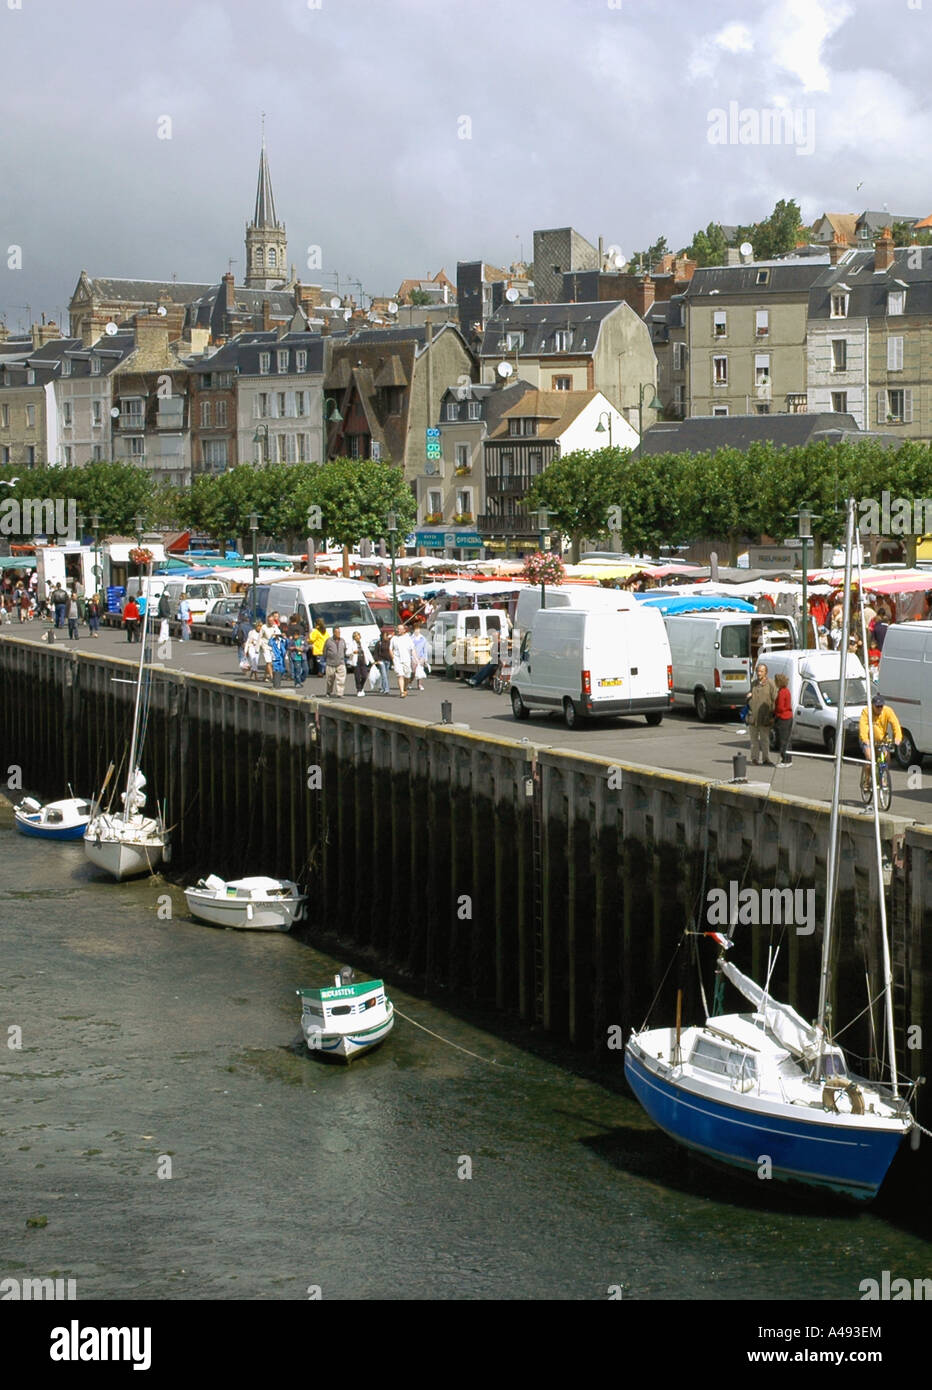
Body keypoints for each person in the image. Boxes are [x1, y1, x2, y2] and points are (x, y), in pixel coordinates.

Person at [859, 693, 902, 765]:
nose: (879, 708)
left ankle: (883, 775)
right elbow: (863, 726)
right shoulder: (866, 711)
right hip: (868, 739)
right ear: (872, 705)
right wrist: (865, 739)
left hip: (882, 740)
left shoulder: (888, 711)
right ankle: (867, 775)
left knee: (887, 759)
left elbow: (895, 724)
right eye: (877, 706)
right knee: (870, 760)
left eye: (881, 706)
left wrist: (898, 737)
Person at [747, 662, 776, 766]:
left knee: (765, 739)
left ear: (766, 673)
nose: (759, 673)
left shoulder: (771, 684)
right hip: (753, 717)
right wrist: (748, 698)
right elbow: (750, 697)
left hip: (765, 717)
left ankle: (766, 759)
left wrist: (773, 715)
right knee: (753, 740)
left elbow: (774, 700)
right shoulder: (753, 683)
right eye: (757, 671)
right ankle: (754, 759)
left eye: (761, 671)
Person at [390, 623, 416, 698]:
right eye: (397, 629)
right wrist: (393, 658)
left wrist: (416, 659)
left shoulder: (408, 638)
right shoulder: (394, 638)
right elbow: (390, 649)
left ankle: (405, 688)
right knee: (400, 675)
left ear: (404, 630)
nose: (398, 630)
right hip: (397, 659)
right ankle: (401, 691)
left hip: (406, 659)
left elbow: (412, 649)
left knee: (407, 675)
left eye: (400, 629)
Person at [773, 672, 793, 765]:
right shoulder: (787, 691)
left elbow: (780, 707)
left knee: (783, 740)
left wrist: (774, 712)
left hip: (782, 717)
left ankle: (785, 760)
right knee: (787, 739)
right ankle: (788, 759)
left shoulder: (781, 692)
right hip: (788, 716)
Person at [323, 626, 348, 696]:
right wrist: (326, 659)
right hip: (330, 663)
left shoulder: (342, 641)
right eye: (337, 632)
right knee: (330, 680)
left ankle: (340, 693)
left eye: (339, 632)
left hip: (341, 663)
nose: (338, 633)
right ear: (334, 632)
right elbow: (324, 651)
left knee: (341, 680)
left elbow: (345, 650)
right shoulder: (328, 641)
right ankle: (328, 691)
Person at [348, 629, 372, 698]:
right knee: (357, 676)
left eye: (358, 636)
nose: (357, 638)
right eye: (355, 636)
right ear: (354, 638)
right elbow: (347, 653)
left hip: (363, 661)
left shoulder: (363, 643)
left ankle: (361, 687)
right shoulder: (352, 644)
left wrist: (372, 661)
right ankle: (359, 690)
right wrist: (352, 652)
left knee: (364, 675)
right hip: (356, 662)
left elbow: (368, 652)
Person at [371, 627, 392, 694]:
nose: (386, 637)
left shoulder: (389, 643)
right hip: (381, 661)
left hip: (388, 660)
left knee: (384, 675)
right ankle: (386, 689)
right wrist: (377, 660)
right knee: (384, 675)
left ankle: (383, 688)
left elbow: (391, 651)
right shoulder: (379, 643)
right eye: (385, 635)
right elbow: (375, 653)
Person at [411, 626, 430, 692]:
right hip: (413, 657)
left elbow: (425, 650)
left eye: (418, 630)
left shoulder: (423, 639)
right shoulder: (411, 638)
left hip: (421, 657)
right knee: (413, 671)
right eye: (416, 630)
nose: (417, 631)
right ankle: (410, 681)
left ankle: (419, 685)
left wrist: (425, 659)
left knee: (420, 671)